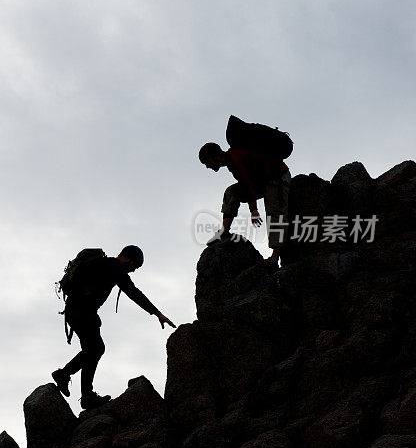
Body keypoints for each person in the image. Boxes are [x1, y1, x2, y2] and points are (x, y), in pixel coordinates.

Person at [51, 245, 176, 409]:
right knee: (95, 349)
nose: (133, 270)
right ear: (127, 258)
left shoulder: (104, 264)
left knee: (93, 349)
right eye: (135, 265)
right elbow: (133, 292)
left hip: (76, 311)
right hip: (83, 312)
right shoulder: (115, 268)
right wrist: (157, 313)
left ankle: (66, 376)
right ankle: (83, 392)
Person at [198, 142, 291, 266]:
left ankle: (274, 258)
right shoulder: (232, 161)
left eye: (206, 162)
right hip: (262, 181)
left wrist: (254, 210)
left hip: (277, 177)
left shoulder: (236, 157)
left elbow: (248, 184)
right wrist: (253, 208)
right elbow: (247, 184)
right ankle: (224, 232)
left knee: (276, 214)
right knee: (231, 192)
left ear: (214, 156)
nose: (207, 166)